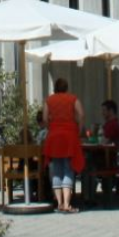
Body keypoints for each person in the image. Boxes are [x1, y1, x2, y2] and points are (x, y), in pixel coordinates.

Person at [41, 77, 86, 213]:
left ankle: (59, 203)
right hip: (69, 136)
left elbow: (44, 118)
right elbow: (81, 114)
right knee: (68, 168)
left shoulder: (49, 100)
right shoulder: (73, 99)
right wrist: (79, 128)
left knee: (56, 169)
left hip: (54, 137)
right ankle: (67, 204)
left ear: (55, 87)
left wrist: (51, 127)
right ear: (66, 88)